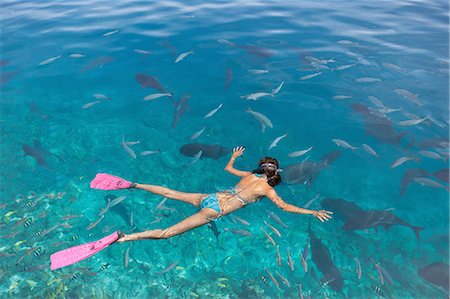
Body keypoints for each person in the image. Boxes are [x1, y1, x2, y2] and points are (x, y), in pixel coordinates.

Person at [116, 146, 332, 243]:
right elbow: (285, 207)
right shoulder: (267, 189)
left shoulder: (249, 175)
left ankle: (133, 184)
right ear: (275, 174)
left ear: (262, 168)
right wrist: (312, 211)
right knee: (167, 232)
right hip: (215, 209)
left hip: (209, 197)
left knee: (170, 192)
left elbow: (227, 169)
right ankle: (126, 237)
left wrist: (234, 156)